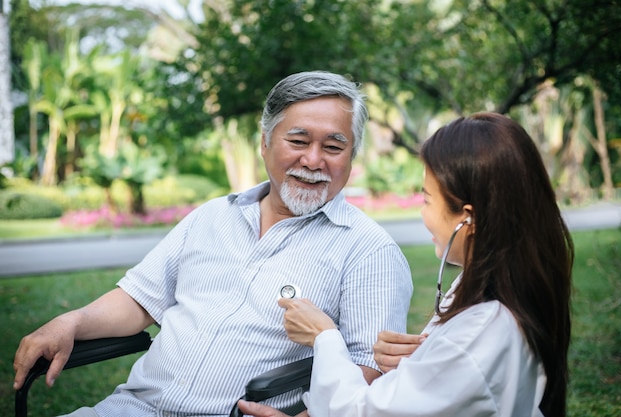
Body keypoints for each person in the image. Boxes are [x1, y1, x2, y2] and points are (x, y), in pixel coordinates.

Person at [12, 71, 414, 417]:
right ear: (265, 142)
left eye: (333, 147)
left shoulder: (368, 251)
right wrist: (72, 322)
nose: (313, 160)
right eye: (298, 140)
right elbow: (140, 299)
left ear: (351, 155)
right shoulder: (212, 217)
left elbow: (370, 373)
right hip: (132, 408)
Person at [238, 112, 574, 417]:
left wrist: (324, 336)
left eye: (427, 199)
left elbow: (364, 413)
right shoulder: (497, 297)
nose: (422, 212)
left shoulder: (480, 332)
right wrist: (427, 360)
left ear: (468, 218)